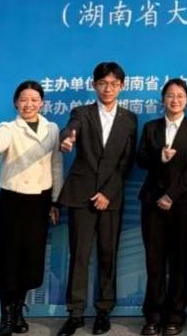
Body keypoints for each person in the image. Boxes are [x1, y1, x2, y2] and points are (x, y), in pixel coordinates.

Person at [56, 62, 138, 336]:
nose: (108, 88)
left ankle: (104, 311)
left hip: (111, 198)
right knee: (79, 255)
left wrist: (108, 193)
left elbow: (126, 162)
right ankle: (75, 313)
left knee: (107, 254)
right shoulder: (82, 113)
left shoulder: (129, 119)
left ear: (122, 87)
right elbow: (71, 129)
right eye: (103, 83)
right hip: (81, 195)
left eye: (113, 84)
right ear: (94, 85)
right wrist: (67, 139)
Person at [0, 80, 62, 336]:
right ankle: (5, 317)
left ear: (42, 103)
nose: (29, 104)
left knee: (30, 260)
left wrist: (55, 200)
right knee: (8, 260)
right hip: (12, 202)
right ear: (16, 103)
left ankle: (18, 312)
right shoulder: (8, 127)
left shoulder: (52, 128)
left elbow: (56, 165)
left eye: (34, 100)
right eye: (24, 100)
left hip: (40, 202)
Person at [136, 79, 187, 336]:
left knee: (179, 261)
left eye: (180, 96)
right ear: (163, 99)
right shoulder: (151, 127)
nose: (175, 100)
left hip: (182, 203)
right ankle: (153, 315)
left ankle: (175, 314)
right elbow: (141, 159)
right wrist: (159, 157)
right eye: (170, 95)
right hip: (152, 202)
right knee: (154, 262)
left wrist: (171, 195)